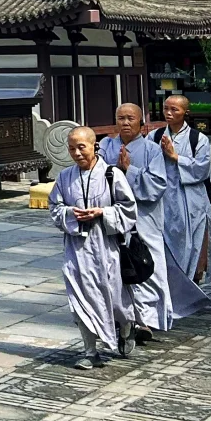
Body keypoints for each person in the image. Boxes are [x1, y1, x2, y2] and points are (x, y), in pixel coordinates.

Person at [49, 125, 136, 369]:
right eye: (72, 148)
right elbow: (54, 207)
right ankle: (90, 351)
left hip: (106, 247)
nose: (77, 153)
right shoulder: (65, 177)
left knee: (115, 299)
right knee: (80, 301)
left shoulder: (112, 174)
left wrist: (102, 212)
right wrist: (70, 213)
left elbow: (129, 209)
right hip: (77, 249)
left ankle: (126, 326)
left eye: (81, 147)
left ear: (93, 146)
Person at [100, 103, 172, 340]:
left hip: (145, 218)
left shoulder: (152, 150)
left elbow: (158, 185)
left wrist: (129, 171)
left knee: (147, 266)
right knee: (115, 268)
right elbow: (95, 177)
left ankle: (147, 321)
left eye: (131, 118)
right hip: (114, 218)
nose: (125, 123)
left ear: (141, 122)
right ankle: (121, 318)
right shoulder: (105, 146)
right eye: (120, 118)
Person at [151, 95, 211, 297]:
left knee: (192, 243)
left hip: (190, 199)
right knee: (165, 241)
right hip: (163, 198)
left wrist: (176, 157)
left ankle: (190, 285)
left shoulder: (198, 139)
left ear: (186, 112)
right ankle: (168, 285)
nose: (169, 113)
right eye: (166, 108)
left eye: (174, 109)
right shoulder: (154, 136)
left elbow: (202, 170)